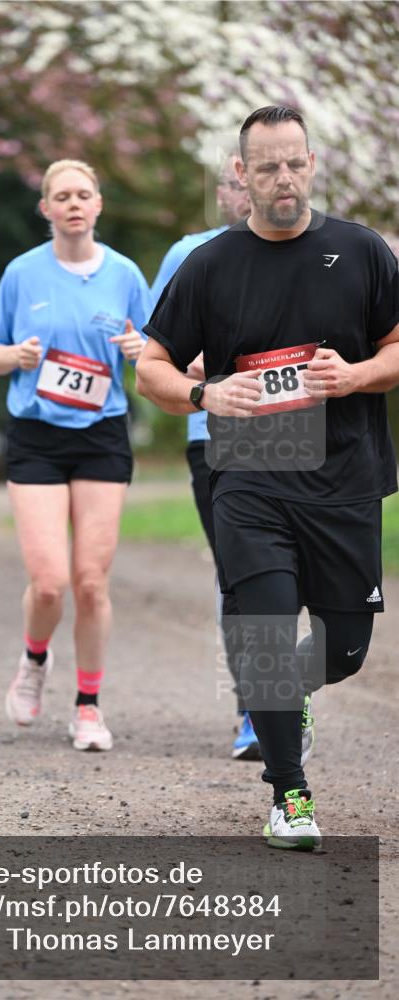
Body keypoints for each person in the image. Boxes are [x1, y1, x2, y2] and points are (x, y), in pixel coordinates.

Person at [137, 106, 399, 848]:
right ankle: (290, 793)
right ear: (240, 175)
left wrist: (354, 376)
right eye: (266, 166)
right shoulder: (210, 265)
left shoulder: (360, 252)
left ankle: (291, 694)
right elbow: (150, 366)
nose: (282, 178)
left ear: (311, 164)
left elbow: (396, 347)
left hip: (343, 475)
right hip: (249, 474)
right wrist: (204, 394)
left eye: (293, 163)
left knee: (344, 647)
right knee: (262, 635)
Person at [0, 159, 152, 751]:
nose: (74, 203)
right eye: (62, 196)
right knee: (49, 583)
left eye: (83, 194)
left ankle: (88, 707)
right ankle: (33, 661)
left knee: (90, 583)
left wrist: (139, 347)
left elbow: (156, 354)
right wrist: (16, 357)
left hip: (102, 433)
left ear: (98, 205)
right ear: (46, 209)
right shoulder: (22, 273)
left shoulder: (126, 274)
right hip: (37, 436)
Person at [151, 154, 258, 760]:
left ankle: (283, 688)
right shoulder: (189, 253)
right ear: (220, 192)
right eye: (235, 181)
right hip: (211, 441)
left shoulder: (312, 249)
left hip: (298, 438)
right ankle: (255, 709)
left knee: (311, 580)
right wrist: (191, 368)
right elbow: (152, 347)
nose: (245, 191)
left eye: (257, 178)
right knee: (241, 577)